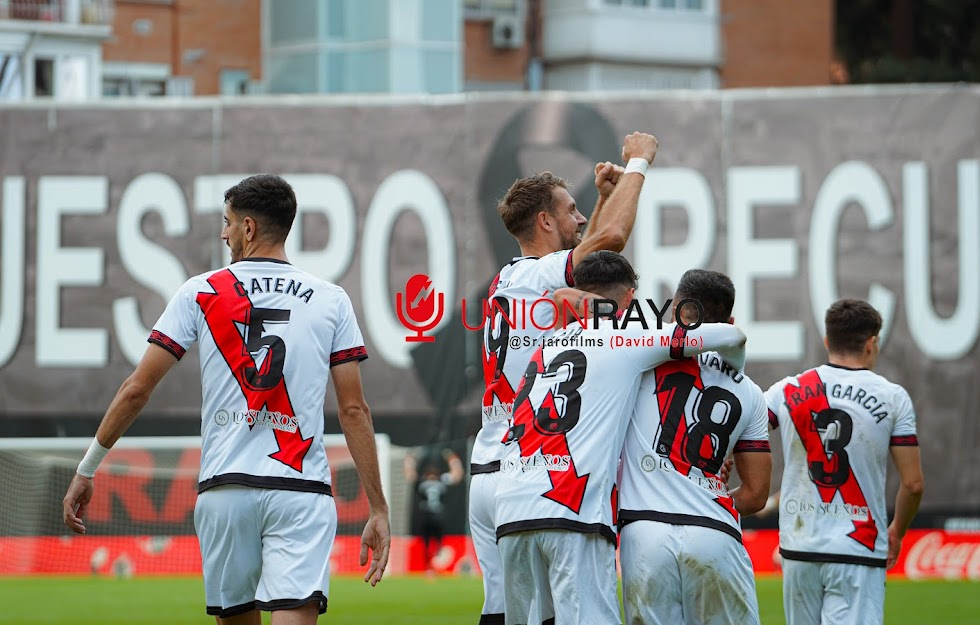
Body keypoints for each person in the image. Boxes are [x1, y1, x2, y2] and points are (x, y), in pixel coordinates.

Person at [61, 174, 391, 625]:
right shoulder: (331, 300)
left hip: (225, 489)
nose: (224, 233)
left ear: (249, 228)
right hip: (299, 488)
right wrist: (378, 507)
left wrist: (89, 466)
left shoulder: (200, 291)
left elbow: (137, 387)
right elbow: (354, 409)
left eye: (228, 222)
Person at [496, 252, 748, 625]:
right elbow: (729, 334)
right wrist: (733, 370)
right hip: (570, 507)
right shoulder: (627, 337)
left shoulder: (547, 345)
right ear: (630, 298)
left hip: (511, 507)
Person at [471, 132, 658, 625]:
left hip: (491, 468)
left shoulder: (510, 280)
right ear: (545, 221)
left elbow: (588, 264)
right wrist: (639, 163)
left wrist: (603, 198)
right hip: (533, 471)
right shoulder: (536, 277)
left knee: (505, 615)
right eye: (571, 210)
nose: (579, 220)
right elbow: (609, 245)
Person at [617, 269, 771, 625]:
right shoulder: (750, 392)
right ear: (729, 321)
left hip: (644, 534)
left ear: (674, 312)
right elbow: (756, 494)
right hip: (715, 532)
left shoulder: (638, 362)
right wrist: (704, 489)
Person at [763, 298, 924, 625]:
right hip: (858, 548)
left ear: (827, 341)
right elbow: (913, 484)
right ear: (871, 343)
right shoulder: (892, 397)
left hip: (798, 549)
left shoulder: (787, 389)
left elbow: (741, 431)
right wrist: (897, 531)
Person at [405, 448, 465, 574]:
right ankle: (432, 567)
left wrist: (411, 458)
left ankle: (430, 568)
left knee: (431, 544)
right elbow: (457, 474)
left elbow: (409, 474)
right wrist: (453, 459)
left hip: (428, 516)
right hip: (436, 516)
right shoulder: (442, 480)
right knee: (434, 544)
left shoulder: (422, 481)